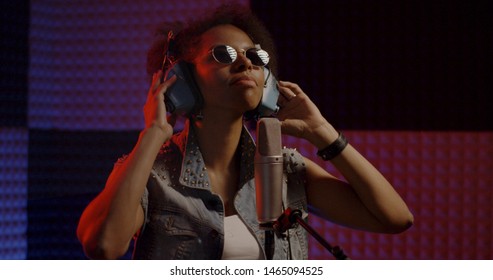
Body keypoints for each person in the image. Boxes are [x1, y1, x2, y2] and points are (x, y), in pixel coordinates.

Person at [77, 4, 413, 260]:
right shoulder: (149, 175)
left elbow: (395, 218)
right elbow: (103, 245)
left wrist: (323, 132)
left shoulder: (287, 170)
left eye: (256, 56)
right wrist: (153, 133)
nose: (246, 63)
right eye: (223, 55)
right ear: (182, 81)